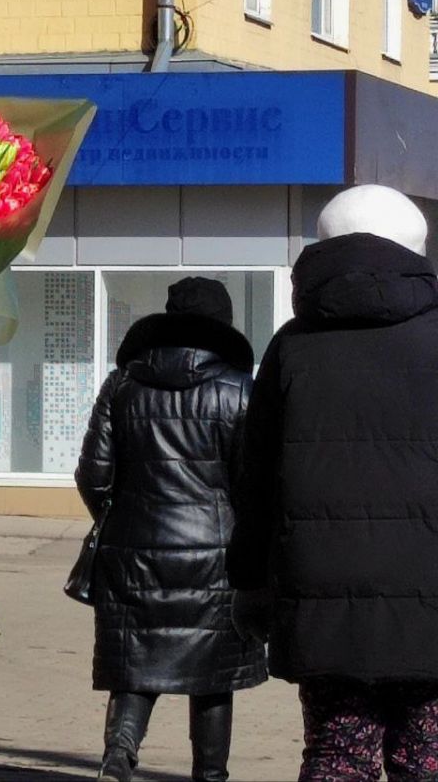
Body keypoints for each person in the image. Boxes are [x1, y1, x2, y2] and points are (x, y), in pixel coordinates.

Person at [229, 184, 438, 782]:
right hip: (430, 598)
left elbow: (256, 482)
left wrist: (248, 586)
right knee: (426, 758)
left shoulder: (293, 347)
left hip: (321, 599)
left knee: (336, 759)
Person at [75, 277, 268, 782]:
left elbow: (92, 475)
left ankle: (118, 758)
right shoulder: (240, 391)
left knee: (135, 664)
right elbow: (254, 484)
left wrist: (118, 520)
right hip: (216, 557)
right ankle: (210, 775)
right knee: (213, 675)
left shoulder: (121, 385)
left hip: (132, 552)